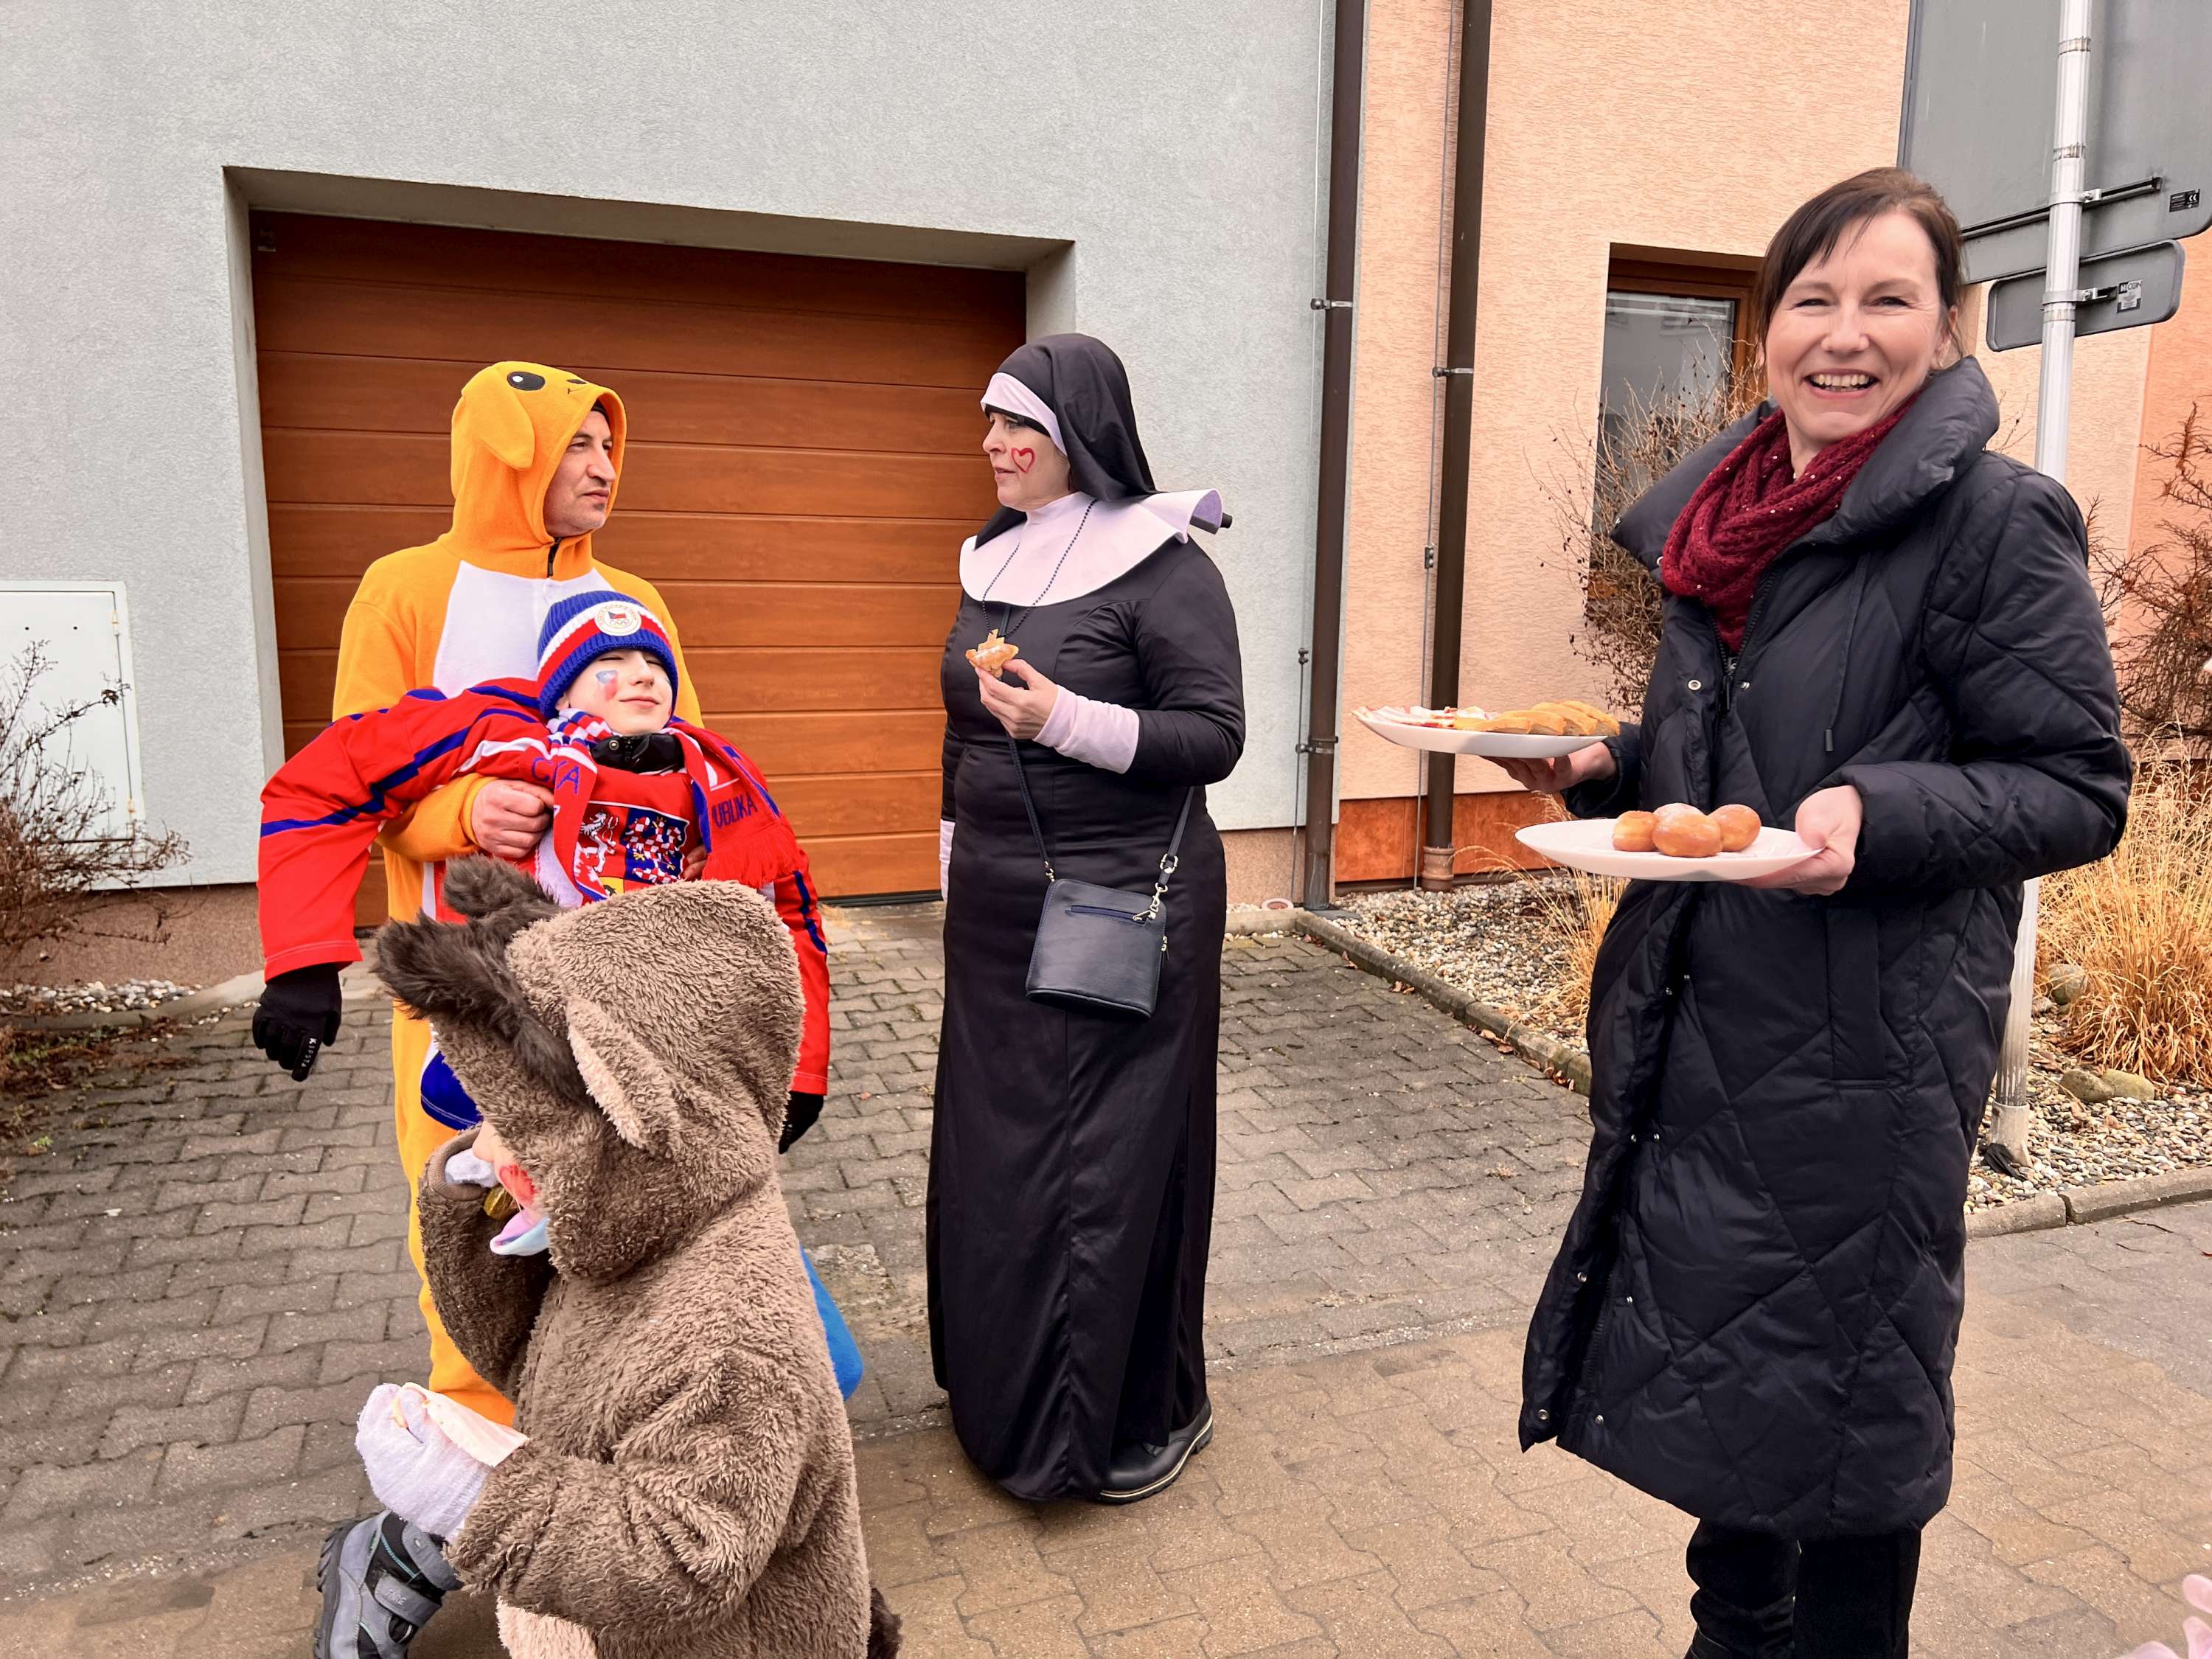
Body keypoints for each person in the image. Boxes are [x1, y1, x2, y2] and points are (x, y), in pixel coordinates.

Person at [1498, 169, 2130, 1658]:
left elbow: (2077, 785)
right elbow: (1736, 758)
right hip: (1705, 1034)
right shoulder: (1727, 524)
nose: (1845, 335)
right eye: (1814, 299)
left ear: (1946, 326)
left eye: (1888, 300)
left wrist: (1879, 819)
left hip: (1864, 1062)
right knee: (1744, 1392)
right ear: (1769, 328)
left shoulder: (1991, 522)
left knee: (1843, 1417)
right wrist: (1610, 771)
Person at [344, 860, 900, 1659]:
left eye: (519, 1126)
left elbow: (686, 1561)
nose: (491, 1148)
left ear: (624, 1111)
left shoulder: (731, 1340)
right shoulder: (637, 1222)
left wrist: (479, 1502)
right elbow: (522, 1357)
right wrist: (469, 1195)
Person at [929, 334, 1243, 1503]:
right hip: (997, 907)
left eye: (1020, 424)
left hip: (1120, 900)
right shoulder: (993, 559)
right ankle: (999, 1390)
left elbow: (1215, 736)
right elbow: (961, 727)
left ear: (1080, 433)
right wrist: (953, 866)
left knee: (1095, 1162)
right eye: (990, 420)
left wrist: (1063, 716)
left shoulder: (1166, 566)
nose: (994, 443)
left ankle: (1106, 1425)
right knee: (1000, 1148)